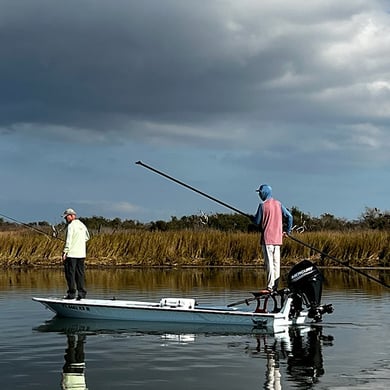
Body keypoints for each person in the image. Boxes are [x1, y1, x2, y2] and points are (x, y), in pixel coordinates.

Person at [252, 184, 293, 293]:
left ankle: (270, 287)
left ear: (263, 193)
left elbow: (257, 222)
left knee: (269, 263)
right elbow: (290, 216)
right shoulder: (279, 204)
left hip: (267, 239)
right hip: (278, 239)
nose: (259, 195)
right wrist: (287, 231)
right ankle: (275, 285)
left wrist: (252, 218)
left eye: (260, 192)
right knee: (276, 263)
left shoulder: (262, 206)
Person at [62, 208, 90, 300]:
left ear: (71, 216)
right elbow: (87, 237)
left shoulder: (71, 226)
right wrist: (79, 242)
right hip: (81, 254)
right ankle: (81, 294)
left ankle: (71, 294)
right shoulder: (82, 225)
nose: (65, 219)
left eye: (66, 217)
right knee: (80, 274)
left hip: (71, 254)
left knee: (70, 274)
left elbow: (68, 240)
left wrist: (65, 252)